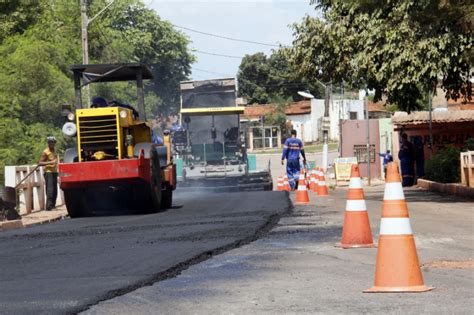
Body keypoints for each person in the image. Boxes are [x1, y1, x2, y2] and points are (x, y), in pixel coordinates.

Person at [38, 136, 59, 210]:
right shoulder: (45, 152)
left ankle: (53, 205)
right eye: (49, 142)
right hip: (48, 172)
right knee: (50, 190)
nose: (51, 143)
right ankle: (49, 206)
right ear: (48, 143)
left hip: (54, 172)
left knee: (55, 190)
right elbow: (40, 163)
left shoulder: (54, 150)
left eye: (52, 142)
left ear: (55, 143)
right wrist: (51, 162)